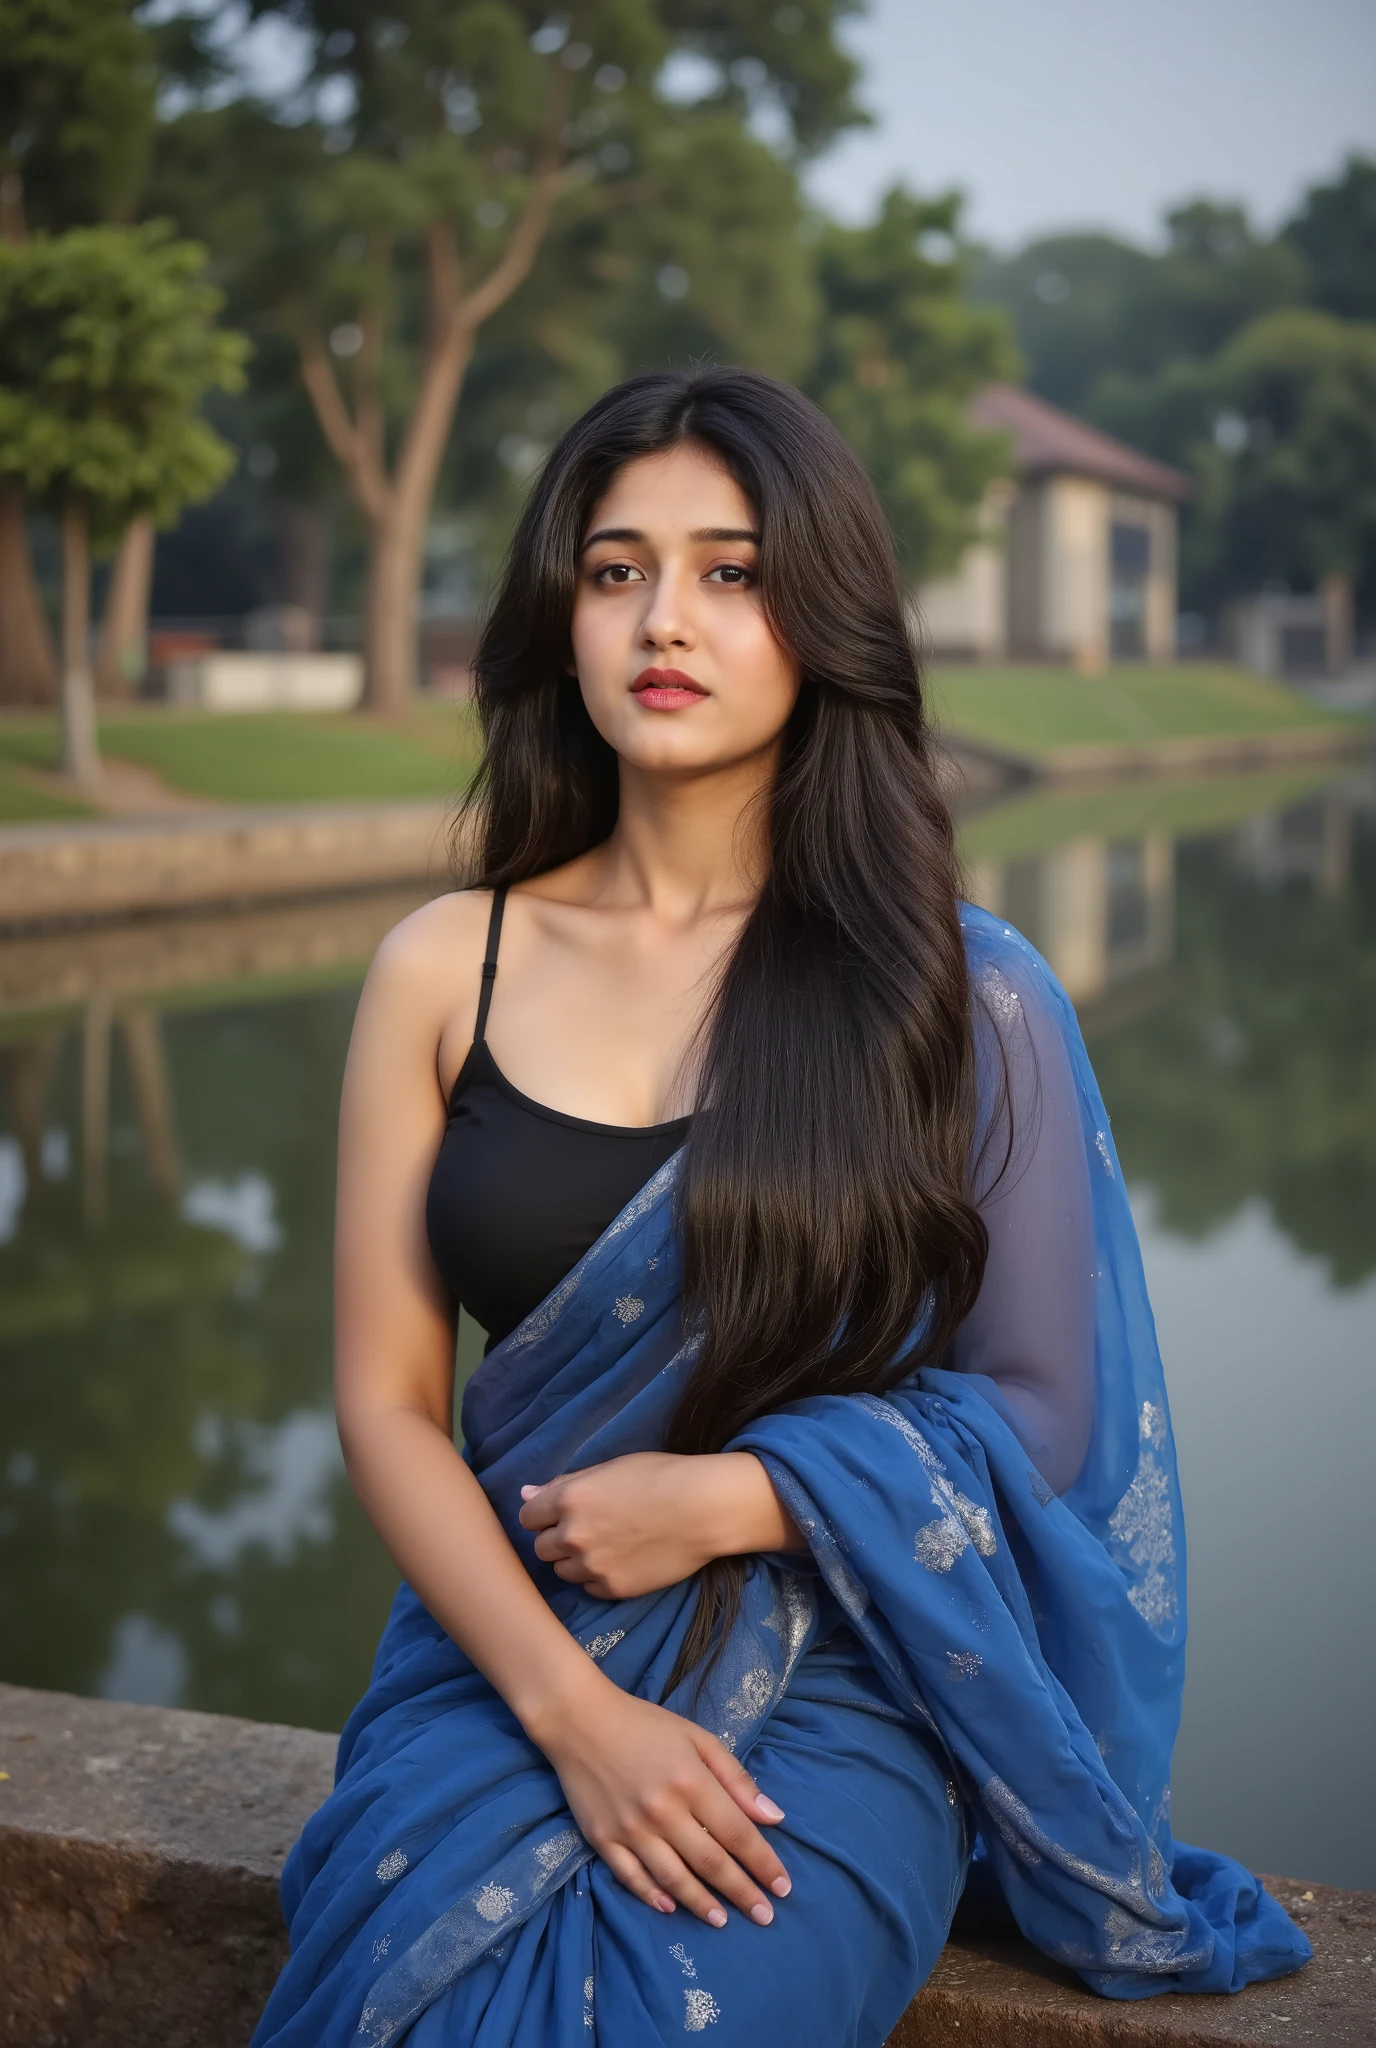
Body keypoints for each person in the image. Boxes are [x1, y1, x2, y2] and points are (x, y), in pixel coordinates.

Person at [251, 370, 1309, 2048]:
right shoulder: (449, 966)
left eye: (730, 572)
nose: (665, 618)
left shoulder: (964, 997)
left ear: (821, 615)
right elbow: (388, 1407)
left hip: (836, 1687)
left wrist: (737, 1499)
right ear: (563, 612)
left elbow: (1048, 1418)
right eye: (617, 571)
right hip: (503, 1661)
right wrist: (574, 1712)